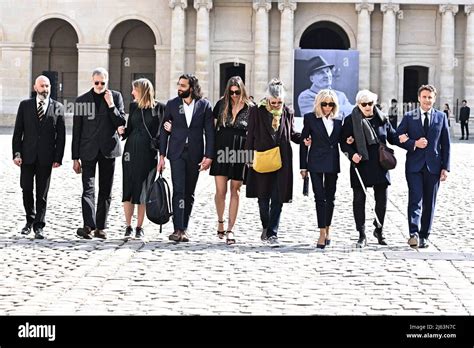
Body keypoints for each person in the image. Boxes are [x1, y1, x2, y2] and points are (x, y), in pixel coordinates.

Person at [158, 74, 215, 243]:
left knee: (189, 192)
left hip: (195, 154)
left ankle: (185, 227)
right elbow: (163, 131)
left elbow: (209, 132)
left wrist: (209, 156)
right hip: (176, 153)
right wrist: (161, 156)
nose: (179, 88)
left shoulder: (204, 105)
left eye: (183, 85)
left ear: (191, 88)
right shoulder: (172, 104)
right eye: (179, 85)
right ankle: (178, 228)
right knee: (179, 190)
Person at [340, 89, 401, 248]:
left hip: (380, 164)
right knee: (359, 200)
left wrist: (410, 140)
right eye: (364, 104)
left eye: (370, 103)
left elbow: (393, 137)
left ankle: (379, 229)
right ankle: (361, 234)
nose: (367, 107)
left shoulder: (382, 119)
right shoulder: (350, 120)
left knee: (381, 200)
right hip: (360, 164)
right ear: (358, 104)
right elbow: (344, 143)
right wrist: (351, 154)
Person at [245, 78, 302, 246]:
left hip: (282, 158)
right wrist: (248, 157)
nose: (277, 105)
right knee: (263, 198)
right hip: (262, 157)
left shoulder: (288, 112)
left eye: (279, 102)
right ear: (268, 99)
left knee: (278, 197)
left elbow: (291, 133)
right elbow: (250, 135)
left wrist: (305, 138)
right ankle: (265, 225)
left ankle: (272, 233)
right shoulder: (257, 111)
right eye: (274, 102)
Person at [72, 67, 126, 240]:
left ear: (107, 81)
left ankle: (101, 227)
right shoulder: (82, 101)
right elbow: (77, 131)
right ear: (92, 81)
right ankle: (88, 225)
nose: (100, 85)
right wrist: (75, 158)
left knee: (105, 190)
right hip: (87, 151)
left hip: (108, 150)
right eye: (97, 82)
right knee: (88, 188)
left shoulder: (116, 97)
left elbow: (120, 122)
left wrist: (111, 105)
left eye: (103, 82)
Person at [12, 75, 66, 239]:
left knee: (42, 193)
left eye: (47, 86)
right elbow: (18, 132)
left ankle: (39, 225)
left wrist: (58, 157)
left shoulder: (57, 107)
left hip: (46, 157)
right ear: (35, 88)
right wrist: (17, 153)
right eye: (42, 86)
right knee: (26, 188)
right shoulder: (25, 106)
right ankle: (29, 220)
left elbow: (61, 136)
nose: (45, 89)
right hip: (27, 156)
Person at [397, 84, 451, 249]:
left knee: (429, 202)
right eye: (424, 97)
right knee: (415, 199)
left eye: (430, 97)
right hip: (414, 166)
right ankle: (413, 232)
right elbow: (398, 136)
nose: (427, 100)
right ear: (419, 98)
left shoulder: (441, 117)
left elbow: (446, 144)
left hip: (434, 167)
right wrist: (414, 143)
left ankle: (424, 235)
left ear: (434, 99)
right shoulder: (409, 116)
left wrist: (445, 167)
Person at [117, 78, 167, 240]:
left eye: (134, 90)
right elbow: (129, 130)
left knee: (144, 190)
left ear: (143, 91)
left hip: (148, 154)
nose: (132, 93)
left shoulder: (160, 108)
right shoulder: (133, 107)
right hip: (130, 151)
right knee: (129, 188)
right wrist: (122, 131)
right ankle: (128, 226)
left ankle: (139, 227)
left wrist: (162, 157)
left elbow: (162, 136)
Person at [210, 76, 253, 245]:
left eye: (237, 92)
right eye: (231, 92)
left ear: (242, 90)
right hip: (222, 149)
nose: (234, 95)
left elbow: (254, 133)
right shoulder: (221, 105)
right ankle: (220, 220)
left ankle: (230, 229)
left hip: (241, 151)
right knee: (221, 191)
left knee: (235, 191)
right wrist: (209, 154)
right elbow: (212, 130)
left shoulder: (251, 108)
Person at [300, 89, 343, 249]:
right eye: (324, 104)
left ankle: (328, 228)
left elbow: (343, 140)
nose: (327, 107)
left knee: (330, 198)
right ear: (319, 103)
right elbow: (304, 143)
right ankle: (321, 232)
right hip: (315, 162)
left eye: (331, 104)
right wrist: (303, 166)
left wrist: (350, 141)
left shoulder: (338, 121)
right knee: (319, 198)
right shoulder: (310, 118)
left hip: (332, 162)